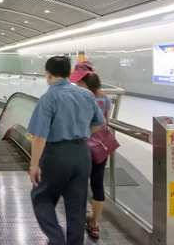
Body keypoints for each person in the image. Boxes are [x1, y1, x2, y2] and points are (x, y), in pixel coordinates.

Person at [27, 56, 105, 245]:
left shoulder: (48, 98)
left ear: (49, 73)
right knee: (76, 204)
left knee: (41, 196)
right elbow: (99, 124)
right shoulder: (86, 95)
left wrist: (34, 165)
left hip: (56, 154)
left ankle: (56, 238)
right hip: (82, 154)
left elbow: (39, 136)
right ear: (69, 73)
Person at [69, 61, 111, 239]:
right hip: (101, 147)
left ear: (84, 82)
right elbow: (105, 122)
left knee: (78, 184)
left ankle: (77, 220)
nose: (76, 84)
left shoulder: (79, 98)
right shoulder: (105, 99)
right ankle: (94, 224)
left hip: (81, 146)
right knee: (97, 184)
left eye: (78, 81)